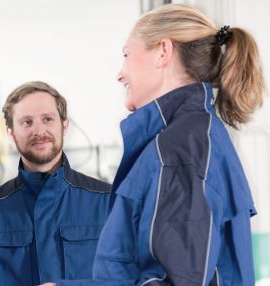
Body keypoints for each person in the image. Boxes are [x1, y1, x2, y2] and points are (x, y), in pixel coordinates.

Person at [90, 4, 265, 285]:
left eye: (127, 55)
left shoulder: (180, 150)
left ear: (163, 52)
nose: (120, 74)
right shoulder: (191, 138)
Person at [0, 81, 111, 286]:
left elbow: (134, 279)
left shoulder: (109, 203)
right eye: (27, 122)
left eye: (47, 119)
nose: (39, 131)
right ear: (11, 133)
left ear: (64, 126)